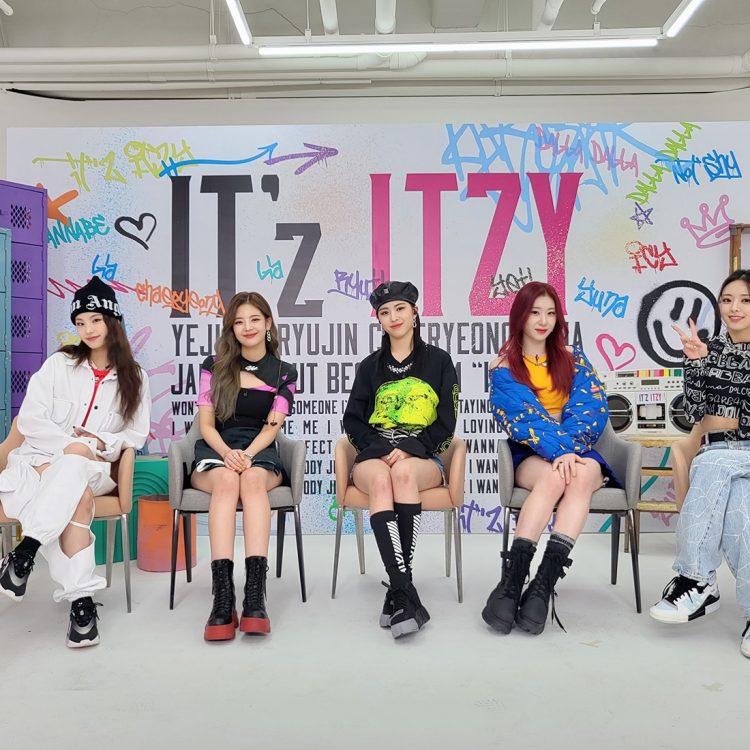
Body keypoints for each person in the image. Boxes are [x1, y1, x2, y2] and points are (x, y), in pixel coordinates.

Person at [0, 276, 151, 647]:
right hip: (39, 462)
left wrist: (100, 443)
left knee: (79, 464)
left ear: (112, 321)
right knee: (77, 498)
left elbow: (136, 435)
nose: (88, 329)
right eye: (80, 322)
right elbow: (29, 420)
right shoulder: (59, 365)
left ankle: (26, 550)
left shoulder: (135, 377)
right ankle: (81, 605)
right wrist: (72, 445)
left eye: (95, 320)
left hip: (97, 468)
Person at [482, 281, 615, 635]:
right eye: (535, 313)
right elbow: (521, 416)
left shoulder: (573, 359)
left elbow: (591, 407)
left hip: (577, 449)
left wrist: (568, 449)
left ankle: (543, 584)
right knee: (557, 475)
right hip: (532, 451)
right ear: (520, 317)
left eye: (550, 313)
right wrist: (560, 451)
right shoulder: (503, 367)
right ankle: (514, 581)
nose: (543, 321)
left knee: (580, 475)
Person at [343, 281, 459, 639]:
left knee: (404, 474)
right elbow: (353, 420)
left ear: (414, 312)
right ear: (378, 319)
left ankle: (397, 590)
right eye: (385, 312)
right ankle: (404, 590)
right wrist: (379, 447)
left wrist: (411, 447)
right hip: (375, 453)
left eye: (400, 309)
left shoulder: (439, 361)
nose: (393, 317)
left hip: (421, 454)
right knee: (382, 479)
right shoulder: (369, 366)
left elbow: (447, 420)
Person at [650, 269, 750, 660]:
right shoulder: (708, 348)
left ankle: (696, 579)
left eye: (745, 300)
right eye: (727, 299)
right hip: (717, 453)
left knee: (711, 465)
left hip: (738, 452)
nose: (734, 307)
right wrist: (694, 364)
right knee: (742, 517)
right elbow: (693, 414)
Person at [191, 292, 297, 642]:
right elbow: (206, 425)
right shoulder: (213, 365)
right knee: (226, 481)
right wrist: (228, 454)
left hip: (259, 450)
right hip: (216, 448)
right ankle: (222, 598)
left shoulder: (284, 372)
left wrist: (247, 455)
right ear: (231, 328)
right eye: (239, 321)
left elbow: (272, 427)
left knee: (251, 481)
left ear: (268, 323)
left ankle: (254, 597)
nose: (247, 327)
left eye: (254, 319)